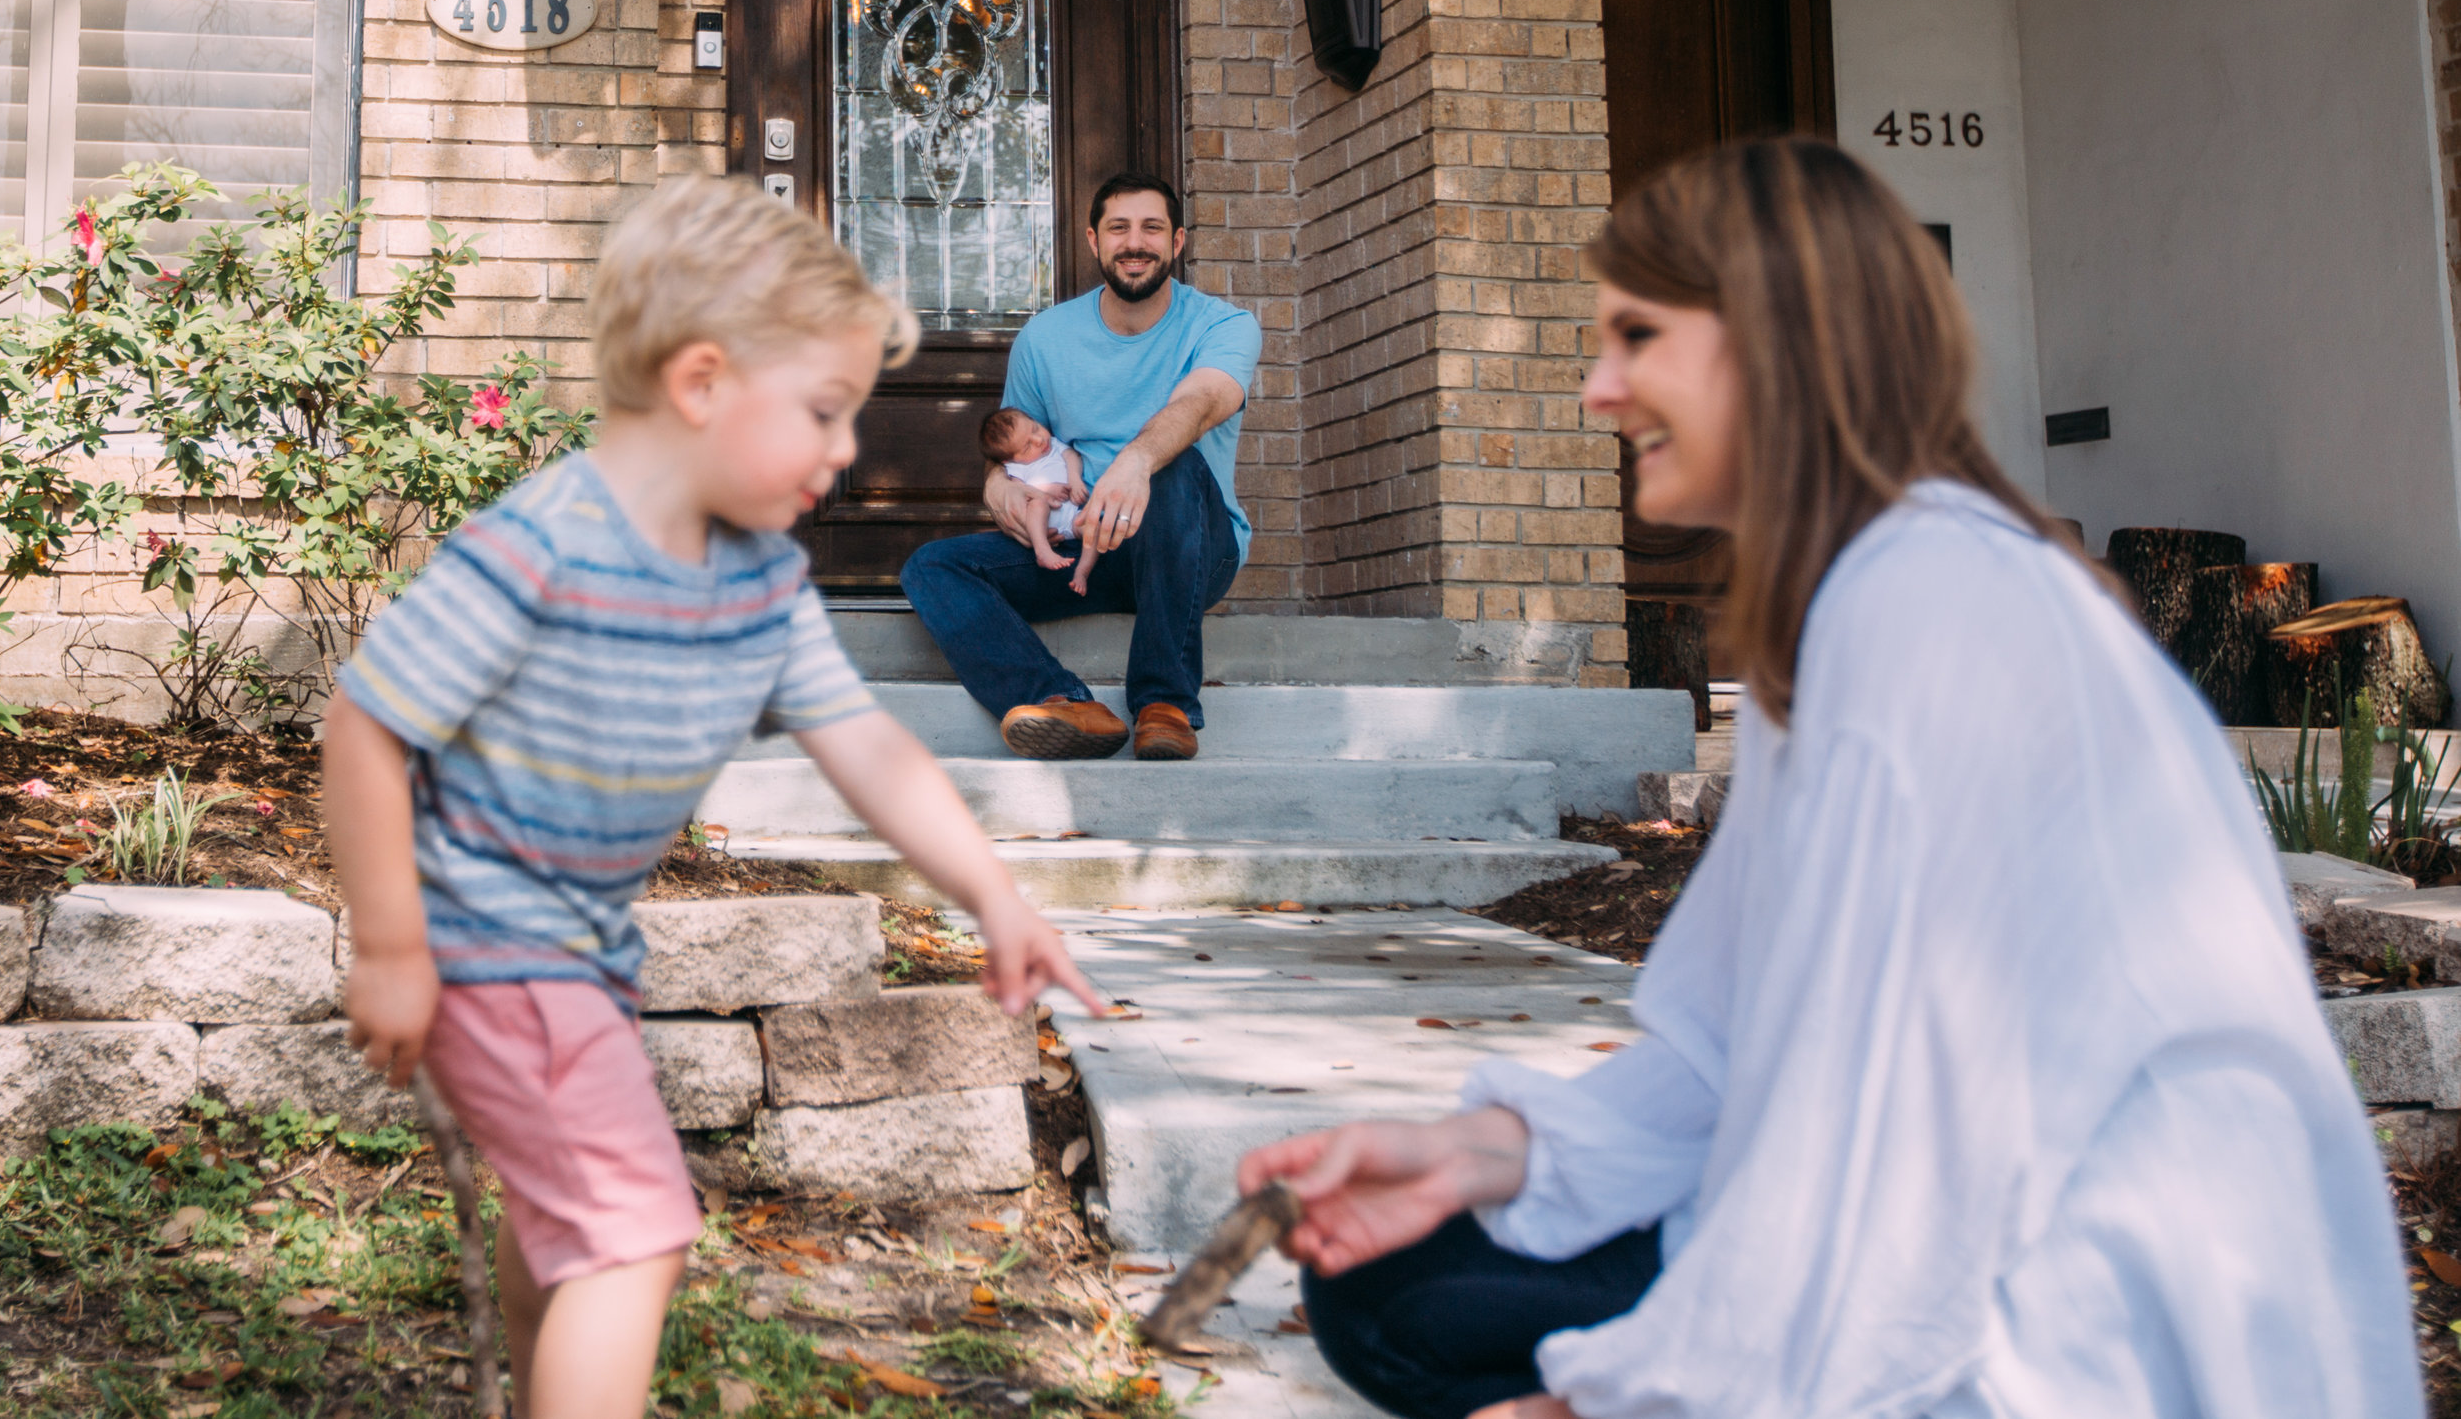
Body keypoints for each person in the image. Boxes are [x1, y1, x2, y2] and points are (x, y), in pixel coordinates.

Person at [1236, 138, 2420, 1419]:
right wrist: (1475, 1150)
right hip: (1950, 1228)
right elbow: (1732, 1042)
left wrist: (1627, 1403)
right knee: (1397, 1279)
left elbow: (1898, 1174)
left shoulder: (1930, 607)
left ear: (1775, 339)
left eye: (1637, 337)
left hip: (2096, 1307)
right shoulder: (1857, 604)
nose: (1597, 390)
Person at [323, 174, 1106, 1419]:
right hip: (481, 946)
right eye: (823, 412)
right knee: (634, 1230)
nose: (849, 449)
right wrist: (390, 944)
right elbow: (367, 724)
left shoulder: (757, 583)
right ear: (700, 385)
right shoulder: (543, 544)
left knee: (566, 1225)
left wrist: (992, 892)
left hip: (577, 958)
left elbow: (869, 749)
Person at [900, 171, 1260, 763]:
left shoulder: (1223, 326)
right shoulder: (1045, 337)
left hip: (1189, 547)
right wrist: (997, 491)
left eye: (1152, 228)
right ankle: (1062, 703)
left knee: (1176, 465)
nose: (1134, 242)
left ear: (1177, 243)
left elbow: (1201, 403)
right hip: (1083, 546)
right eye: (1119, 228)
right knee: (933, 567)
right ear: (1094, 241)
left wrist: (1136, 461)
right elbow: (1015, 453)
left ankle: (1163, 704)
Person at [979, 405, 1098, 593]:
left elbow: (1072, 457)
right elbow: (1020, 492)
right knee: (1038, 504)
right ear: (1009, 460)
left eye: (1035, 428)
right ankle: (1042, 551)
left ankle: (1082, 572)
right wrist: (1047, 490)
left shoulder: (1054, 445)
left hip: (1070, 517)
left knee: (1093, 528)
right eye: (1027, 446)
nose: (1039, 440)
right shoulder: (1017, 468)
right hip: (1043, 525)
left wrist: (1074, 479)